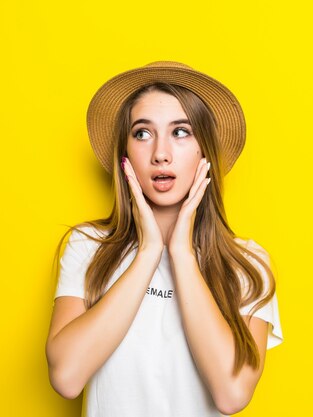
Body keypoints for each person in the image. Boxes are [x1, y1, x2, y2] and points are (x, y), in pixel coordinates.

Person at [45, 61, 283, 417]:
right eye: (142, 133)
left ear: (205, 152)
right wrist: (149, 252)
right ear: (124, 155)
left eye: (181, 132)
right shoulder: (89, 245)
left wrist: (182, 254)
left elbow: (232, 394)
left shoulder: (246, 263)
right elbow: (66, 376)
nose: (160, 153)